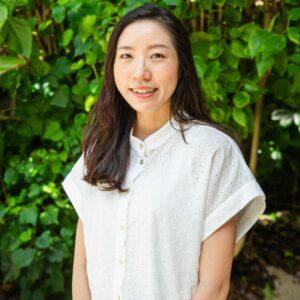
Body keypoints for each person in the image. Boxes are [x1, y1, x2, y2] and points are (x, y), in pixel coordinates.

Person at [62, 3, 266, 300]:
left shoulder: (212, 152)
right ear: (113, 65)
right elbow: (82, 264)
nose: (140, 72)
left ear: (181, 64)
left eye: (156, 55)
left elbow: (214, 286)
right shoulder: (98, 147)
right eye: (127, 56)